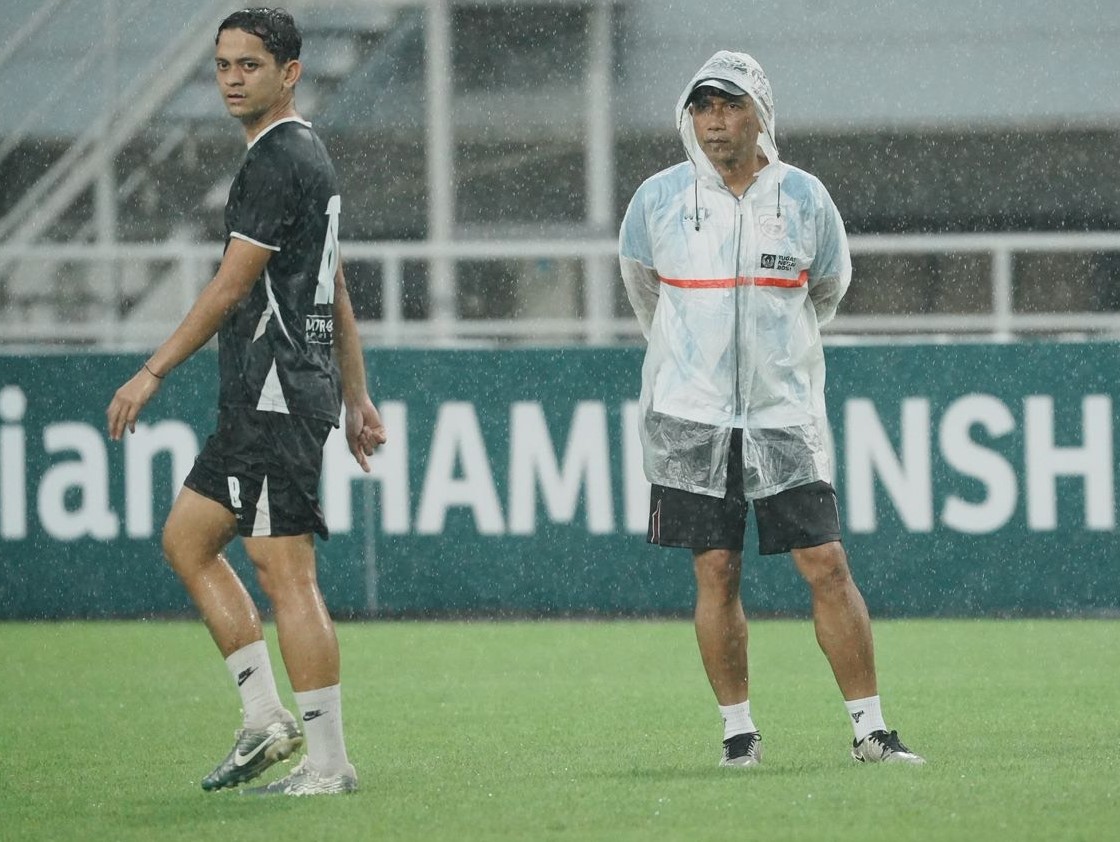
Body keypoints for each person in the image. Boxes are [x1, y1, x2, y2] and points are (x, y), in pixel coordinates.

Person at [107, 8, 386, 796]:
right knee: (189, 539)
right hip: (275, 394)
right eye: (223, 65)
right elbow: (331, 285)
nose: (232, 79)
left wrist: (152, 370)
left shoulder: (273, 162)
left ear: (288, 73)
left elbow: (233, 285)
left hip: (275, 395)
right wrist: (357, 393)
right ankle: (264, 717)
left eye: (249, 66)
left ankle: (329, 762)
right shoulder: (308, 156)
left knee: (285, 572)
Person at [618, 50, 923, 768]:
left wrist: (771, 360)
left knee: (826, 564)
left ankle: (870, 730)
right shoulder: (655, 201)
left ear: (760, 113)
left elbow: (828, 290)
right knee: (716, 570)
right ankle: (738, 734)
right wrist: (693, 361)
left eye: (727, 106)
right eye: (701, 107)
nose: (713, 122)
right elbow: (643, 294)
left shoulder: (806, 199)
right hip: (691, 419)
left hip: (784, 417)